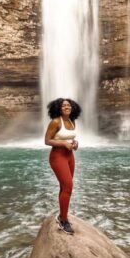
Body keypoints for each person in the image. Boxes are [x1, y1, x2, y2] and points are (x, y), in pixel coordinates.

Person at [44, 97, 81, 235]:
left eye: (69, 105)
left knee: (65, 187)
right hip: (57, 156)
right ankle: (63, 220)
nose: (67, 107)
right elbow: (47, 141)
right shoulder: (55, 122)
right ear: (59, 108)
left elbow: (70, 138)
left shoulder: (72, 122)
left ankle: (62, 215)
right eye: (64, 105)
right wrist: (63, 144)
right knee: (68, 187)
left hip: (70, 156)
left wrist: (75, 143)